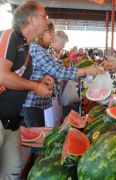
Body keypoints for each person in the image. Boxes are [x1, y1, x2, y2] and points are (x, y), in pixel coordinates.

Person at [0, 1, 54, 179]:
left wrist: (38, 81)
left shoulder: (27, 47)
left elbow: (18, 80)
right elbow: (2, 76)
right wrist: (36, 86)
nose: (47, 19)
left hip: (11, 122)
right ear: (31, 19)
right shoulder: (10, 36)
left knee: (13, 171)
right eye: (44, 15)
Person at [22, 22, 104, 127]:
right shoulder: (37, 49)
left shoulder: (41, 49)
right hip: (32, 102)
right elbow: (58, 72)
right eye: (51, 32)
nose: (53, 35)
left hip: (38, 101)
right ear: (41, 33)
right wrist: (86, 70)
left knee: (40, 132)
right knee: (35, 135)